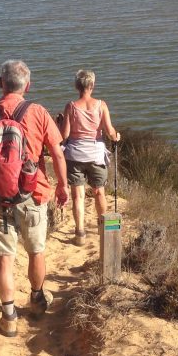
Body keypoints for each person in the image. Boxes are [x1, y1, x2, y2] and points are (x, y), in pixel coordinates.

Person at [0, 59, 70, 337]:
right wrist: (62, 186)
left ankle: (9, 316)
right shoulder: (38, 113)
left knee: (5, 257)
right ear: (28, 86)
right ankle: (37, 300)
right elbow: (58, 153)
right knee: (36, 250)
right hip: (33, 194)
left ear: (0, 83)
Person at [60, 69, 121, 246]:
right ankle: (103, 229)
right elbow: (109, 131)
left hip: (75, 154)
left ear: (77, 86)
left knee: (78, 196)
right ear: (92, 85)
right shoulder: (101, 105)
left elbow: (65, 134)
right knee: (99, 191)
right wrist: (116, 136)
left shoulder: (71, 106)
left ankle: (80, 233)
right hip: (96, 155)